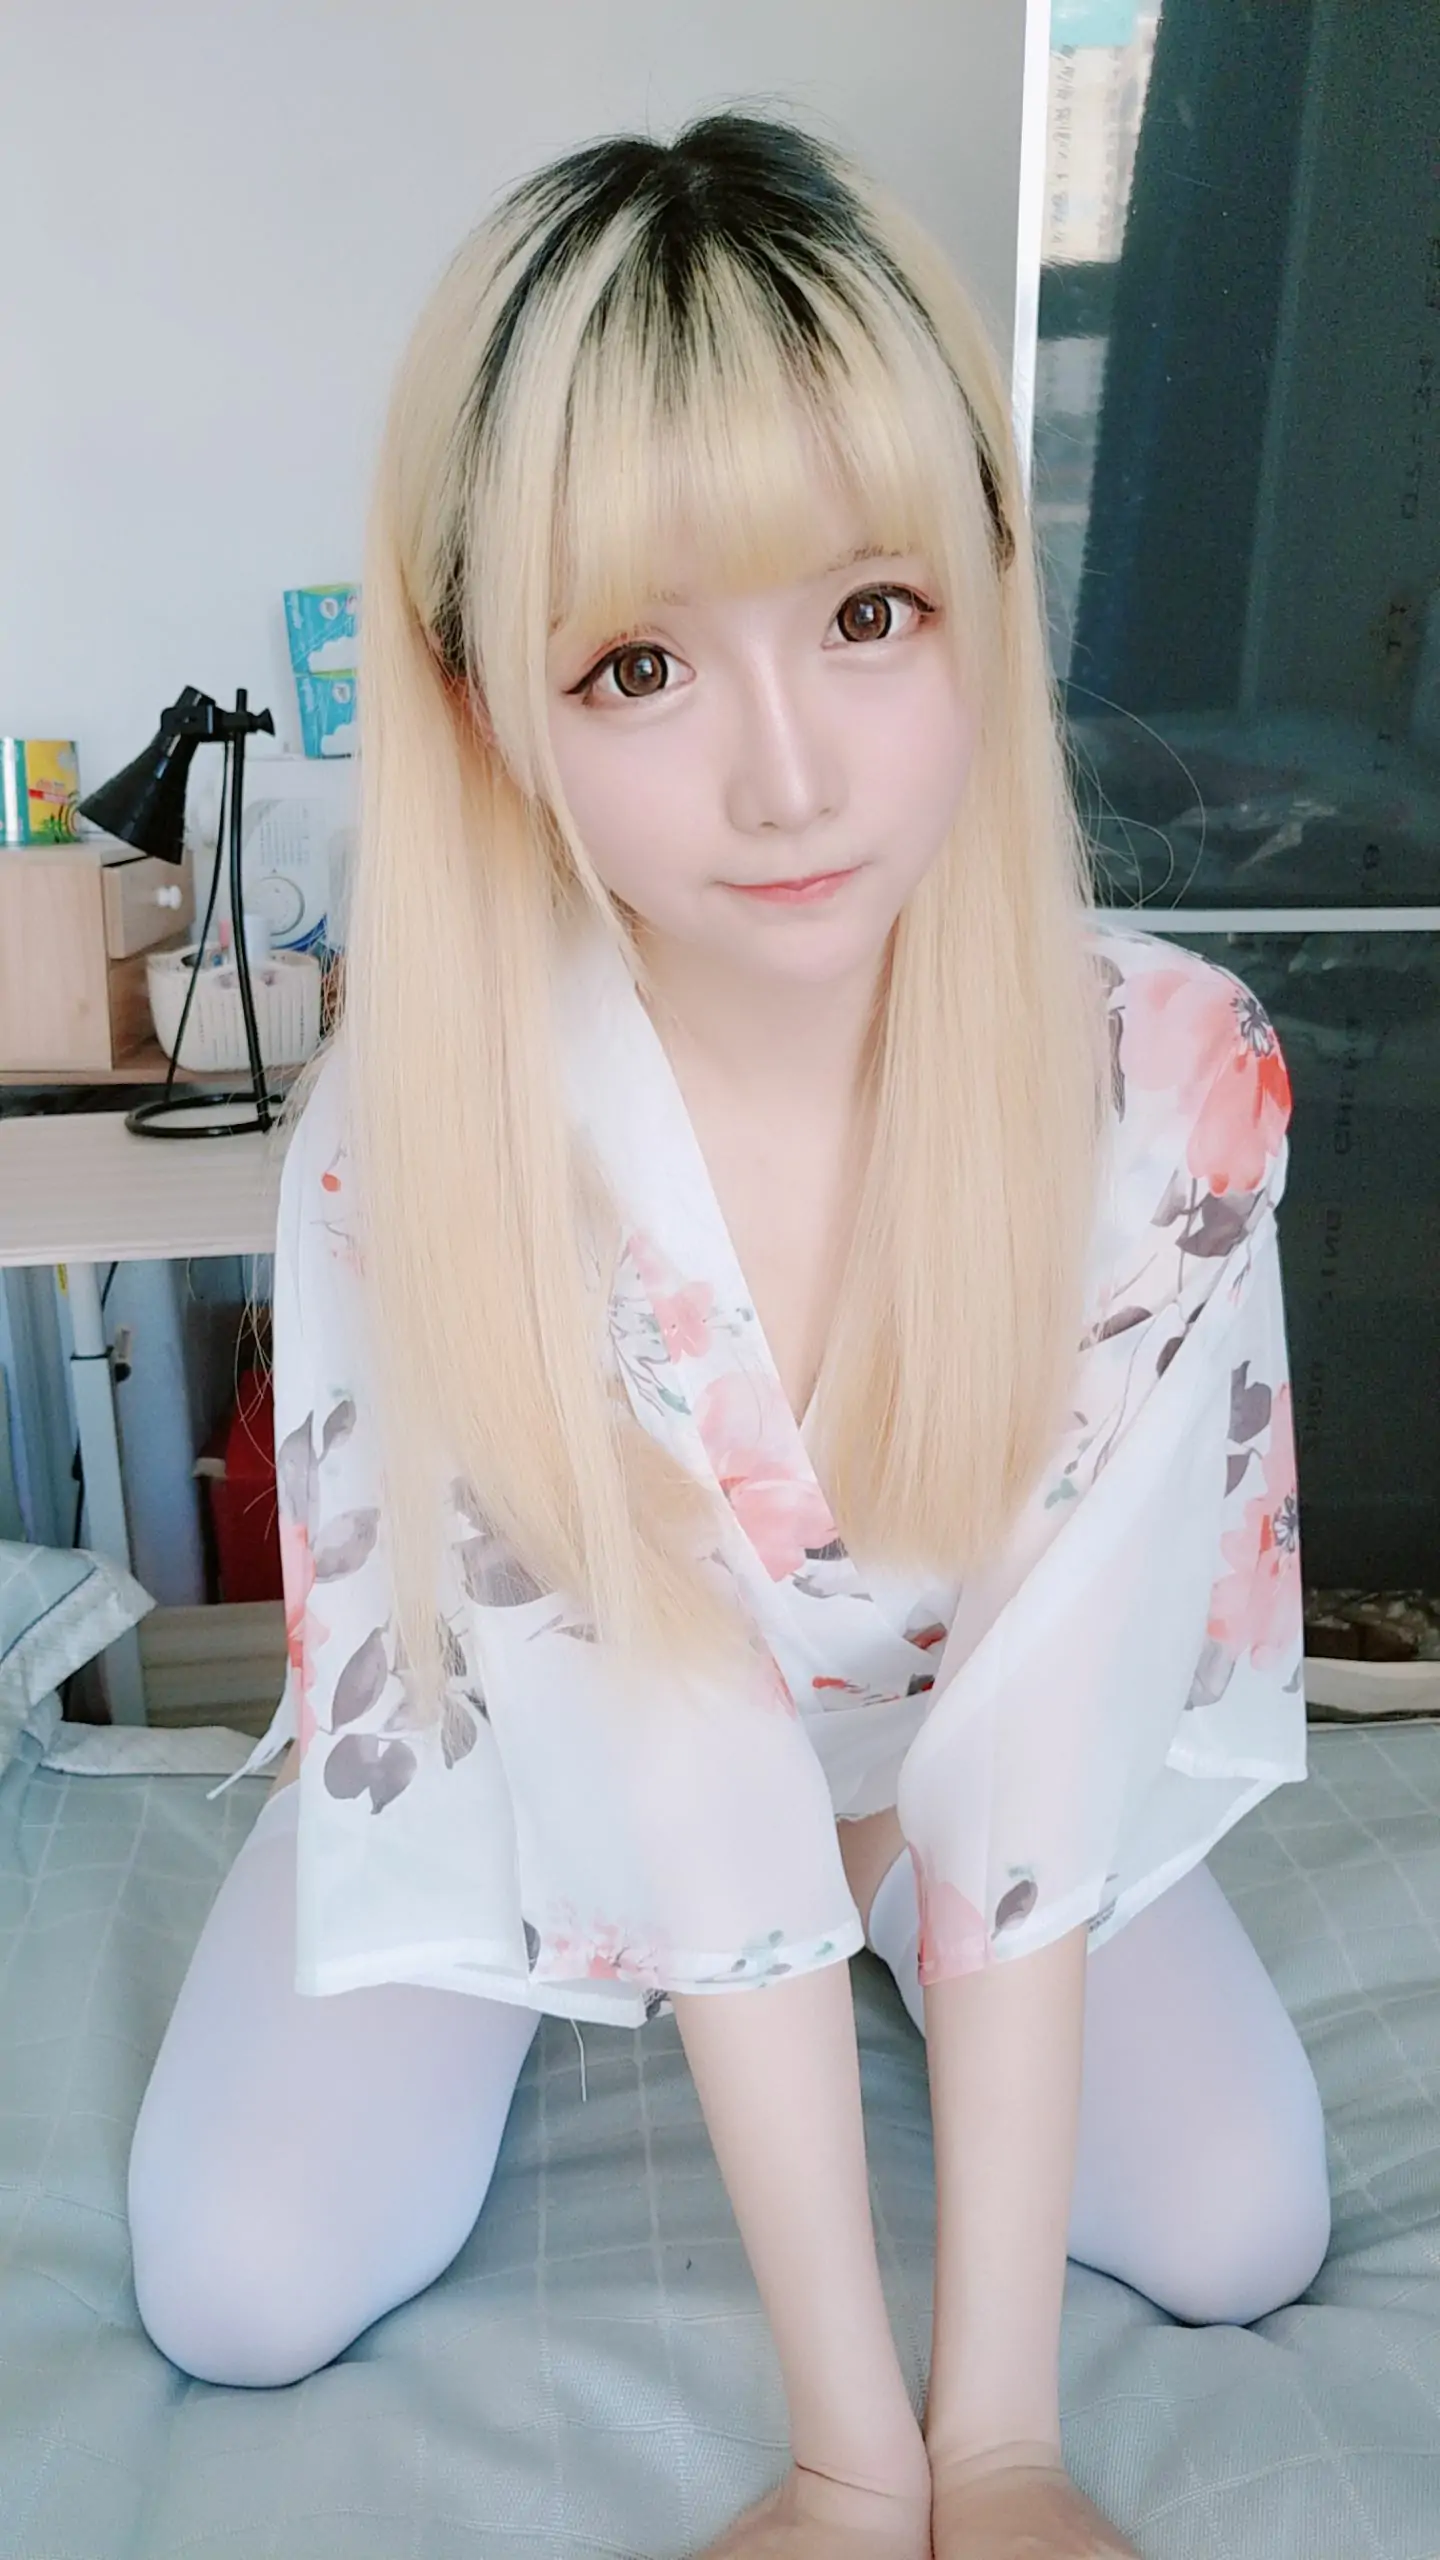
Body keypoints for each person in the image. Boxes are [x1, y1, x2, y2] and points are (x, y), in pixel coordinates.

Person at [126, 109, 1332, 2559]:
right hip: (539, 1741)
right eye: (643, 663)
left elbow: (1053, 1708)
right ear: (489, 703)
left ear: (987, 582)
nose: (789, 775)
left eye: (870, 613)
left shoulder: (1168, 1082)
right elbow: (647, 1737)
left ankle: (876, 1884)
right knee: (237, 2281)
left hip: (946, 1748)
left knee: (1241, 2226)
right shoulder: (425, 1142)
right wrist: (857, 2454)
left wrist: (1001, 2445)